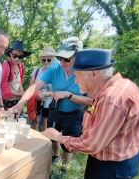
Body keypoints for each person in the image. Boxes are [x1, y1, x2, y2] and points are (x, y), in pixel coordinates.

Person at [43, 48, 139, 179]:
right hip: (119, 160)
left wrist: (59, 138)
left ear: (94, 74)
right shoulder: (122, 86)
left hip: (110, 166)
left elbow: (92, 144)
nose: (74, 79)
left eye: (78, 75)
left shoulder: (112, 98)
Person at [11, 37, 93, 167]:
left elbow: (90, 100)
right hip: (56, 111)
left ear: (78, 56)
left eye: (66, 58)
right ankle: (55, 156)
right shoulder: (54, 68)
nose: (62, 62)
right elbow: (34, 86)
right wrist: (21, 103)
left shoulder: (86, 72)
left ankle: (65, 168)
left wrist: (68, 95)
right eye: (60, 57)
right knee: (51, 136)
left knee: (68, 144)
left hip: (74, 115)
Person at [29, 47, 56, 131]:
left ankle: (43, 140)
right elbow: (31, 87)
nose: (46, 62)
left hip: (49, 102)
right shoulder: (36, 71)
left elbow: (58, 91)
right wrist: (38, 94)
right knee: (36, 120)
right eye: (44, 60)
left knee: (45, 121)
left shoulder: (56, 73)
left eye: (49, 60)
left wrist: (45, 94)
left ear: (53, 60)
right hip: (37, 100)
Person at [0, 40, 32, 110]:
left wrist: (21, 90)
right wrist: (19, 94)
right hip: (6, 101)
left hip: (16, 101)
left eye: (20, 56)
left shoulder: (21, 66)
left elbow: (20, 81)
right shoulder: (6, 66)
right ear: (10, 54)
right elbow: (2, 86)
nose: (17, 59)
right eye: (15, 56)